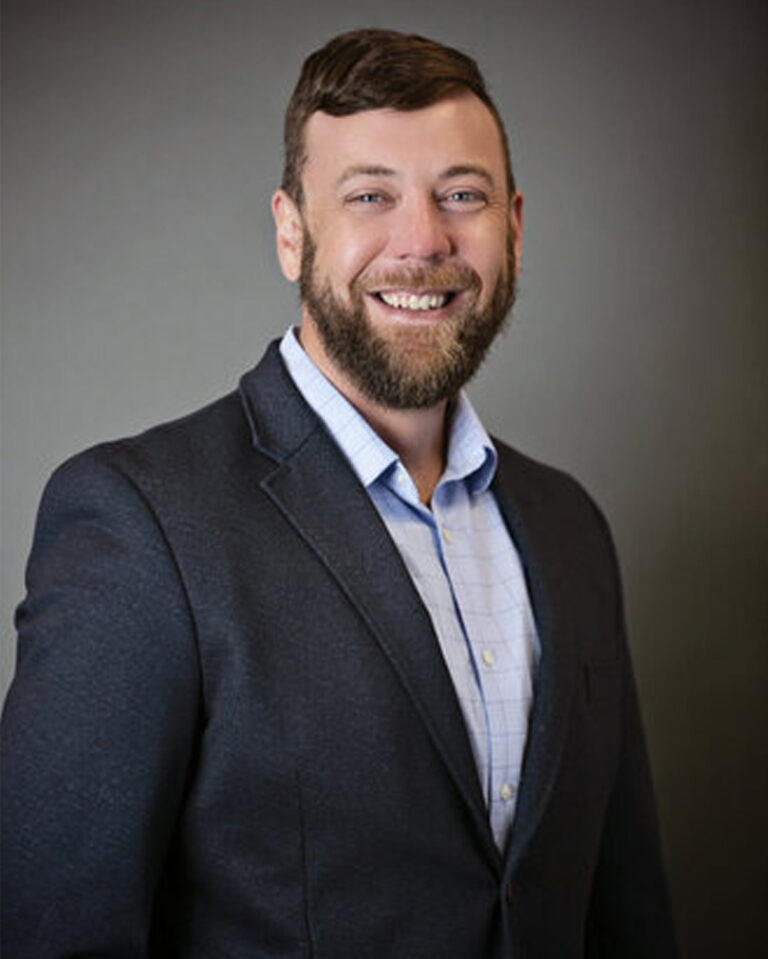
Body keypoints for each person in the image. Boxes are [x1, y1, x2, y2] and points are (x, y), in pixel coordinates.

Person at [1, 28, 677, 958]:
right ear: (291, 231)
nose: (423, 239)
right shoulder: (138, 519)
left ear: (513, 226)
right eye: (370, 195)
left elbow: (624, 910)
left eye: (462, 195)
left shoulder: (570, 525)